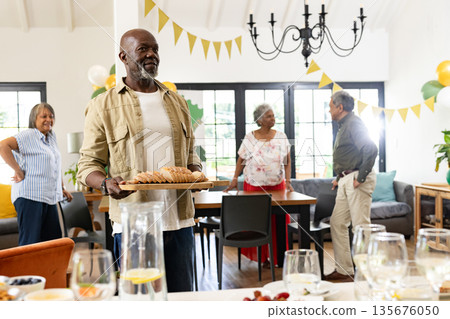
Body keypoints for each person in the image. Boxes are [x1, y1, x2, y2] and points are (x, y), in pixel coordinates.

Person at [76, 28, 202, 292]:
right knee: (140, 301)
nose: (151, 54)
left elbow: (191, 153)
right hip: (133, 223)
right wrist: (106, 183)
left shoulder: (177, 101)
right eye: (143, 49)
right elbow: (88, 164)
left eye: (155, 49)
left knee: (183, 299)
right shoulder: (103, 105)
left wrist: (196, 173)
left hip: (180, 220)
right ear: (123, 56)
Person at [225, 103, 293, 267]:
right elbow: (241, 160)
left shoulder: (281, 136)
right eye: (269, 116)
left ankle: (278, 258)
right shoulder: (250, 138)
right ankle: (264, 259)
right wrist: (235, 178)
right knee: (259, 223)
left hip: (277, 186)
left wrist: (289, 182)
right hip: (254, 187)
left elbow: (287, 161)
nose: (273, 119)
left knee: (277, 224)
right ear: (260, 119)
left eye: (273, 115)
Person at [0, 103, 73, 246]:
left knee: (53, 241)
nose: (49, 120)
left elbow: (55, 165)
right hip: (29, 196)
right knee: (31, 243)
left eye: (51, 117)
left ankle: (49, 269)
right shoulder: (29, 135)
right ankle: (27, 269)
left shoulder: (51, 137)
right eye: (44, 116)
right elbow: (3, 146)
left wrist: (61, 188)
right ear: (34, 119)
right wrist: (18, 170)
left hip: (48, 197)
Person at [324, 90, 378, 282]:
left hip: (357, 179)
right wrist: (340, 177)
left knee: (361, 227)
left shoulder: (354, 123)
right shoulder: (344, 125)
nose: (329, 110)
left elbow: (370, 148)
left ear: (340, 107)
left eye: (331, 106)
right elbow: (350, 155)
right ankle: (345, 269)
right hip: (347, 178)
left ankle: (367, 273)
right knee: (337, 222)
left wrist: (360, 177)